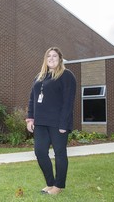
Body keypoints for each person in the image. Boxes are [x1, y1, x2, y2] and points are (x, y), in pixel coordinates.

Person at [26, 47, 76, 195]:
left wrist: (64, 124)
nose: (52, 58)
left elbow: (68, 102)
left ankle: (58, 186)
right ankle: (50, 183)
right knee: (40, 152)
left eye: (55, 56)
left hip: (57, 123)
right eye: (49, 56)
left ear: (60, 59)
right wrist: (30, 119)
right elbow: (32, 99)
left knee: (59, 153)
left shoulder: (67, 75)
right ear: (45, 59)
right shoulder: (39, 76)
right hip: (40, 122)